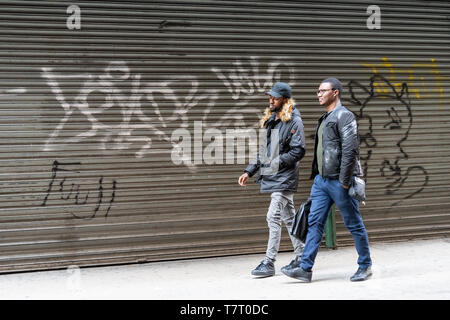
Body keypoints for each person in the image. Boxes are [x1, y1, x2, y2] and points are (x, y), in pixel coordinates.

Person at [282, 77, 373, 282]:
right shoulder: (325, 118)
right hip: (322, 182)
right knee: (314, 222)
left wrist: (344, 181)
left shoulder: (345, 116)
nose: (319, 94)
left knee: (353, 223)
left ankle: (365, 265)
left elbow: (350, 151)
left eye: (323, 91)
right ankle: (305, 268)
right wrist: (318, 177)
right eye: (318, 91)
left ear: (335, 92)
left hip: (339, 181)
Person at [238, 82, 306, 277]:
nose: (271, 100)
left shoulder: (294, 121)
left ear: (285, 99)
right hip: (274, 176)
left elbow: (298, 151)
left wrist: (275, 162)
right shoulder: (271, 121)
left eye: (275, 98)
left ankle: (269, 262)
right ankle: (302, 256)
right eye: (270, 97)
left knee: (272, 216)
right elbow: (263, 152)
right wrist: (249, 171)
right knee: (289, 218)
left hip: (284, 177)